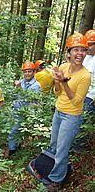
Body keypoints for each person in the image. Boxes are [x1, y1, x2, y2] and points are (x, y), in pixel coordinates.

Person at [46, 33, 91, 191]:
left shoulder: (85, 75)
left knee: (62, 149)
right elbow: (57, 92)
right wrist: (58, 81)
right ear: (69, 52)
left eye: (83, 50)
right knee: (54, 145)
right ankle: (59, 169)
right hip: (58, 112)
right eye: (76, 50)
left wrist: (64, 82)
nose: (80, 53)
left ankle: (57, 180)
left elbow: (77, 101)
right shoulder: (64, 67)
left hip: (71, 117)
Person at [8, 61, 41, 156]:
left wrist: (18, 88)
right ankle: (15, 150)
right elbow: (13, 95)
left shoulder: (36, 85)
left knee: (14, 132)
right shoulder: (21, 82)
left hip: (26, 113)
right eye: (25, 71)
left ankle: (12, 151)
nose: (27, 74)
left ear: (34, 72)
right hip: (16, 111)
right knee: (15, 131)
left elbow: (27, 98)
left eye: (29, 71)